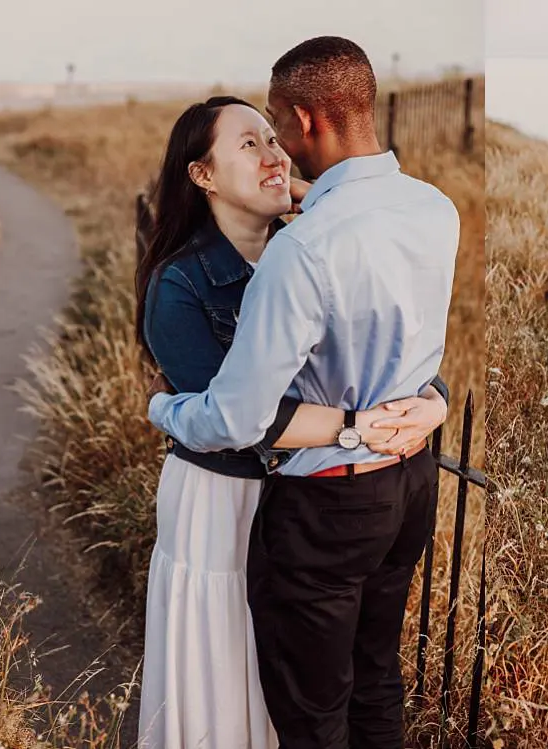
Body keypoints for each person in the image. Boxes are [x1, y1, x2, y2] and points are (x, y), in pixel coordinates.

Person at [147, 37, 460, 748]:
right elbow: (414, 352)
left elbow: (238, 415)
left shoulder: (306, 245)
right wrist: (434, 402)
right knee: (376, 678)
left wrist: (163, 408)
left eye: (276, 127)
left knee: (313, 712)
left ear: (306, 118)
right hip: (410, 482)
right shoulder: (434, 208)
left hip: (330, 504)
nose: (277, 148)